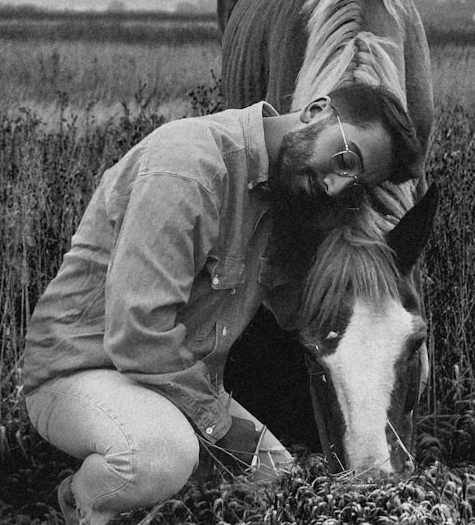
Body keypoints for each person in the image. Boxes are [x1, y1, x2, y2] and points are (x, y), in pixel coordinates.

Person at [21, 80, 422, 525]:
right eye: (346, 160)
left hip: (163, 380)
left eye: (352, 184)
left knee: (277, 480)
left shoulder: (286, 193)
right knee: (160, 455)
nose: (333, 186)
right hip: (81, 370)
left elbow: (298, 314)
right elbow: (138, 334)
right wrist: (222, 429)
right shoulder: (188, 166)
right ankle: (80, 502)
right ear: (316, 110)